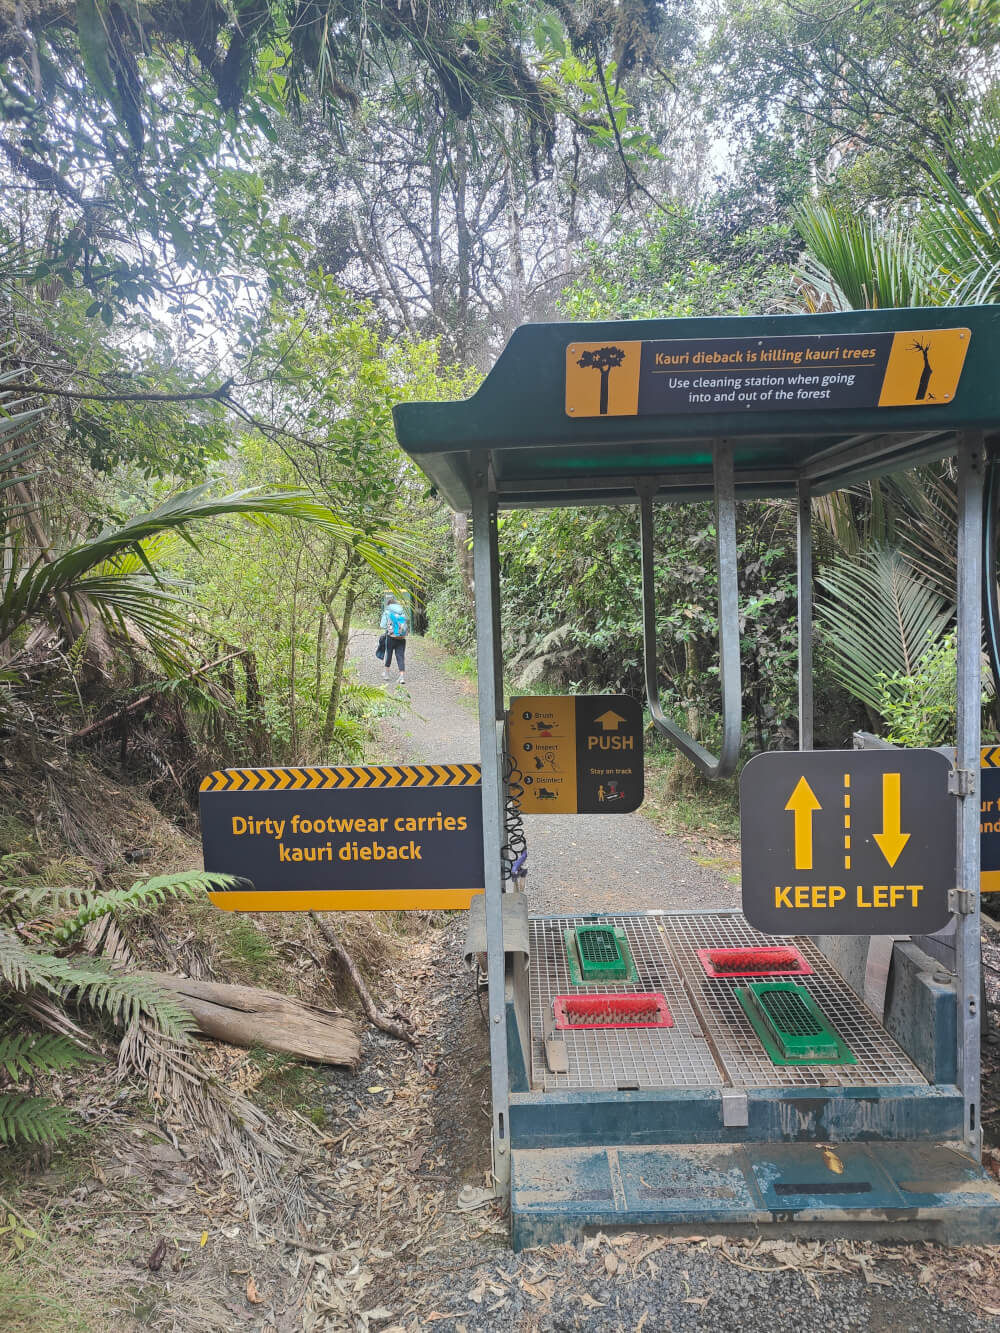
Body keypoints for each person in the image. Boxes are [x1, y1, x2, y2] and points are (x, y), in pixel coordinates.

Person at [380, 595, 409, 686]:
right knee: (400, 656)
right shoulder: (402, 611)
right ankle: (402, 677)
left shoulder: (387, 612)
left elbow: (383, 625)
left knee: (388, 654)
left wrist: (389, 628)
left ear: (388, 605)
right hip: (402, 638)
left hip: (391, 637)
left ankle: (386, 674)